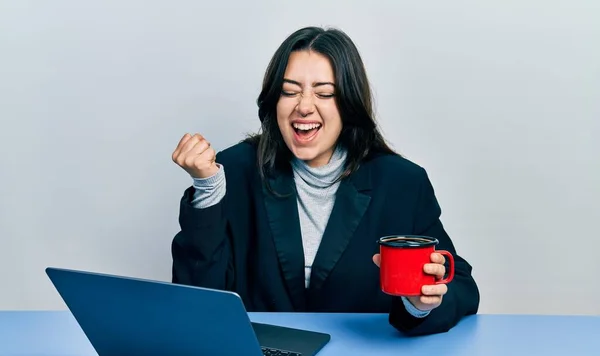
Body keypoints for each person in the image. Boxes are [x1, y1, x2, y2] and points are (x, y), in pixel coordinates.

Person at [170, 26, 479, 336]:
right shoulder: (235, 169)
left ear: (348, 104)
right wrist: (206, 188)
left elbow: (462, 287)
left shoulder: (401, 182)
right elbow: (198, 301)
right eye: (289, 91)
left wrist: (419, 304)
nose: (304, 106)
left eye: (324, 93)